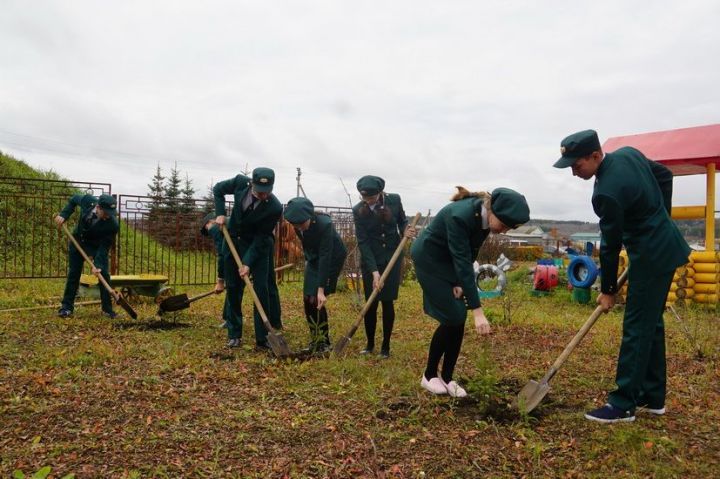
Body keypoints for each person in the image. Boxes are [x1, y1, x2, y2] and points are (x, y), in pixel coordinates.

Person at [554, 129, 690, 423]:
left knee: (637, 326)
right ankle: (652, 398)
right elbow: (664, 175)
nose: (574, 173)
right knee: (650, 324)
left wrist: (609, 289)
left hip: (652, 255)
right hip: (663, 247)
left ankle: (623, 404)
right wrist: (661, 219)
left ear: (595, 155)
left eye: (577, 165)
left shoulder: (606, 192)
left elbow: (611, 246)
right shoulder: (628, 154)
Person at [411, 186, 529, 397]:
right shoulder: (460, 216)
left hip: (450, 262)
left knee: (458, 317)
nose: (504, 231)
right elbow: (463, 261)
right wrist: (478, 311)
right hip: (430, 260)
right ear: (492, 211)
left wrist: (458, 282)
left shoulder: (484, 218)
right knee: (452, 316)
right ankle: (429, 376)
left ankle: (447, 377)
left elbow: (470, 252)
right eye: (503, 225)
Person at [213, 167, 283, 350]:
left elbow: (262, 237)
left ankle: (263, 337)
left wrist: (248, 263)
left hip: (257, 248)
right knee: (234, 288)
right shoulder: (239, 183)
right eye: (260, 192)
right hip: (233, 242)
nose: (263, 196)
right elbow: (218, 190)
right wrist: (220, 213)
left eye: (267, 192)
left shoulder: (274, 207)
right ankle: (234, 333)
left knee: (261, 290)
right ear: (252, 183)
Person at [352, 175, 414, 358]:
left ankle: (385, 347)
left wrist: (405, 229)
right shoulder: (358, 210)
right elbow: (363, 242)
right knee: (371, 303)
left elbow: (402, 220)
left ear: (380, 193)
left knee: (387, 301)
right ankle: (370, 344)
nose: (369, 201)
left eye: (371, 197)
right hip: (370, 259)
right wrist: (374, 272)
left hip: (391, 258)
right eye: (365, 198)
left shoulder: (394, 200)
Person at [200, 212, 283, 333]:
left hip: (247, 246)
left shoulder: (215, 227)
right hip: (264, 242)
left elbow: (222, 255)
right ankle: (274, 321)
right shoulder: (233, 220)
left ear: (210, 222)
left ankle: (231, 322)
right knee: (267, 283)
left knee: (234, 285)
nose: (209, 233)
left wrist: (220, 280)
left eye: (206, 229)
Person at [283, 197, 347, 353]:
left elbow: (326, 256)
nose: (299, 228)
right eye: (295, 225)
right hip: (314, 258)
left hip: (331, 259)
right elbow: (308, 244)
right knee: (307, 299)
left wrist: (321, 289)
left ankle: (324, 343)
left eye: (301, 224)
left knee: (316, 300)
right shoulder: (297, 224)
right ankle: (315, 340)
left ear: (310, 217)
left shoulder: (326, 225)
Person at [54, 193, 120, 318]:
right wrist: (64, 214)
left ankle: (107, 310)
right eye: (105, 213)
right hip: (78, 242)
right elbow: (73, 199)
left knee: (104, 274)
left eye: (110, 214)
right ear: (98, 207)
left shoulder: (113, 225)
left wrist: (98, 265)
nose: (108, 216)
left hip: (96, 247)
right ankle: (66, 307)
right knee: (74, 273)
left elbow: (104, 246)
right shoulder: (88, 200)